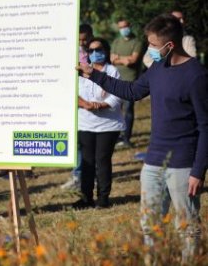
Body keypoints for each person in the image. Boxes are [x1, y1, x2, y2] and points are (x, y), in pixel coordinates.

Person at [77, 14, 207, 262]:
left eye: (153, 45)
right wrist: (93, 74)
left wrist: (198, 170)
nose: (149, 50)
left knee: (187, 228)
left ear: (169, 46)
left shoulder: (196, 76)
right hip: (153, 161)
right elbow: (132, 91)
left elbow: (205, 126)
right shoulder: (157, 67)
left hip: (183, 165)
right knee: (150, 226)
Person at [73, 38, 124, 209]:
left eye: (99, 49)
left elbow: (117, 95)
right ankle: (85, 198)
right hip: (85, 124)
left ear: (106, 50)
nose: (95, 53)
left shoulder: (112, 71)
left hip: (108, 125)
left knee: (102, 161)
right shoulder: (81, 72)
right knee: (87, 162)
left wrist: (100, 105)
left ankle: (103, 198)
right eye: (91, 50)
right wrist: (85, 104)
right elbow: (72, 92)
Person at [61, 24, 94, 191]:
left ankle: (86, 175)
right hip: (76, 98)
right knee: (77, 141)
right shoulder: (71, 52)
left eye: (85, 38)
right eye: (80, 39)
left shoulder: (96, 51)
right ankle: (77, 175)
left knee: (88, 141)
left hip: (92, 99)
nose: (83, 42)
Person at [110, 19, 142, 149]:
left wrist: (120, 58)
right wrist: (125, 59)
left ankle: (126, 138)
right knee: (116, 109)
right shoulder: (116, 42)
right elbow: (112, 60)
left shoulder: (137, 42)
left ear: (130, 26)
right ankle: (116, 137)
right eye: (121, 27)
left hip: (131, 81)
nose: (123, 29)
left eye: (125, 26)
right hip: (117, 80)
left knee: (128, 109)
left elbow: (133, 61)